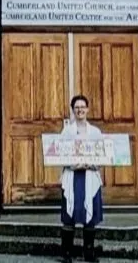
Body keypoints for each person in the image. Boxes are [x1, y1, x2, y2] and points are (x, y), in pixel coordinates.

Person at [58, 95, 106, 263]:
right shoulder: (67, 131)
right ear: (73, 110)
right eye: (76, 107)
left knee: (89, 216)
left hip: (90, 177)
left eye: (82, 107)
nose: (80, 110)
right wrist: (73, 164)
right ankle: (67, 253)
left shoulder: (95, 132)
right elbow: (60, 153)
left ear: (87, 109)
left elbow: (103, 155)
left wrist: (90, 164)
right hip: (72, 177)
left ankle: (89, 252)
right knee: (69, 215)